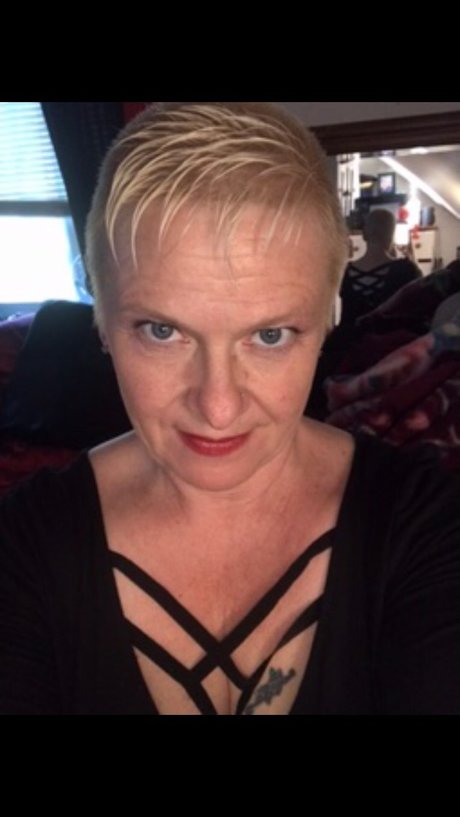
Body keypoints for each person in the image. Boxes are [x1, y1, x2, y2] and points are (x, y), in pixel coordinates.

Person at [0, 102, 459, 715]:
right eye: (162, 331)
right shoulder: (23, 545)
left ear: (330, 315)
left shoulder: (427, 525)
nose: (218, 407)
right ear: (101, 317)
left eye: (270, 336)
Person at [340, 208, 421, 325]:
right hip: (392, 336)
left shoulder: (345, 272)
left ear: (364, 235)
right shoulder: (406, 270)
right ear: (391, 236)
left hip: (350, 336)